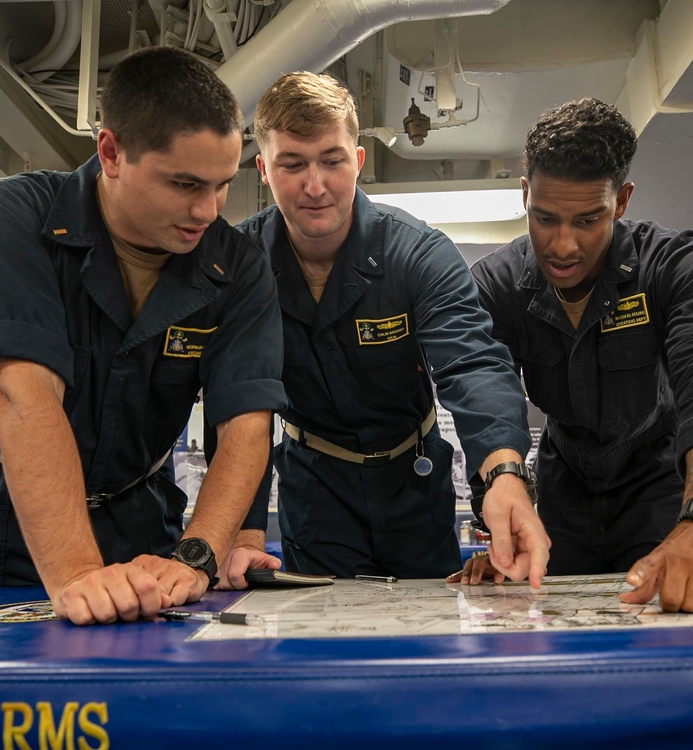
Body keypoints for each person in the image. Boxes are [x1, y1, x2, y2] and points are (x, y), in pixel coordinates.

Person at [0, 46, 286, 625]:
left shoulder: (239, 266)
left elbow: (247, 425)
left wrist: (197, 553)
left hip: (145, 527)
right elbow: (26, 393)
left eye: (223, 184)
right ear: (111, 153)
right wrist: (77, 573)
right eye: (184, 184)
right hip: (11, 525)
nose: (207, 210)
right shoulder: (12, 217)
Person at [213, 71, 549, 588]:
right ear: (262, 169)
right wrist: (244, 530)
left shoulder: (417, 253)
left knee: (426, 636)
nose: (315, 185)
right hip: (315, 486)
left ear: (359, 160)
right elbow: (240, 403)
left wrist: (505, 471)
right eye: (292, 164)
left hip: (412, 484)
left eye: (332, 160)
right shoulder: (238, 263)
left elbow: (472, 363)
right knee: (319, 637)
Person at [463, 97, 693, 612]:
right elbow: (484, 390)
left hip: (659, 488)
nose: (563, 246)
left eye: (587, 220)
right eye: (544, 218)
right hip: (560, 491)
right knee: (542, 617)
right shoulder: (495, 286)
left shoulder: (680, 265)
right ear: (524, 194)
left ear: (622, 200)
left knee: (669, 619)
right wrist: (504, 492)